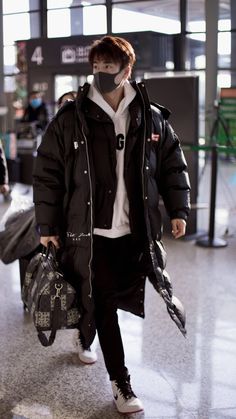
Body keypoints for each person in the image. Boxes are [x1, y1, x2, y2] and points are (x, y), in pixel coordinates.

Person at [33, 35, 191, 414]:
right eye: (97, 67)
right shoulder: (72, 117)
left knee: (111, 296)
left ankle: (86, 331)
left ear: (127, 70)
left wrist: (178, 210)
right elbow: (48, 172)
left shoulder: (150, 116)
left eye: (110, 67)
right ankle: (121, 381)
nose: (102, 74)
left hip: (134, 231)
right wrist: (47, 224)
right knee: (103, 300)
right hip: (89, 231)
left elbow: (172, 163)